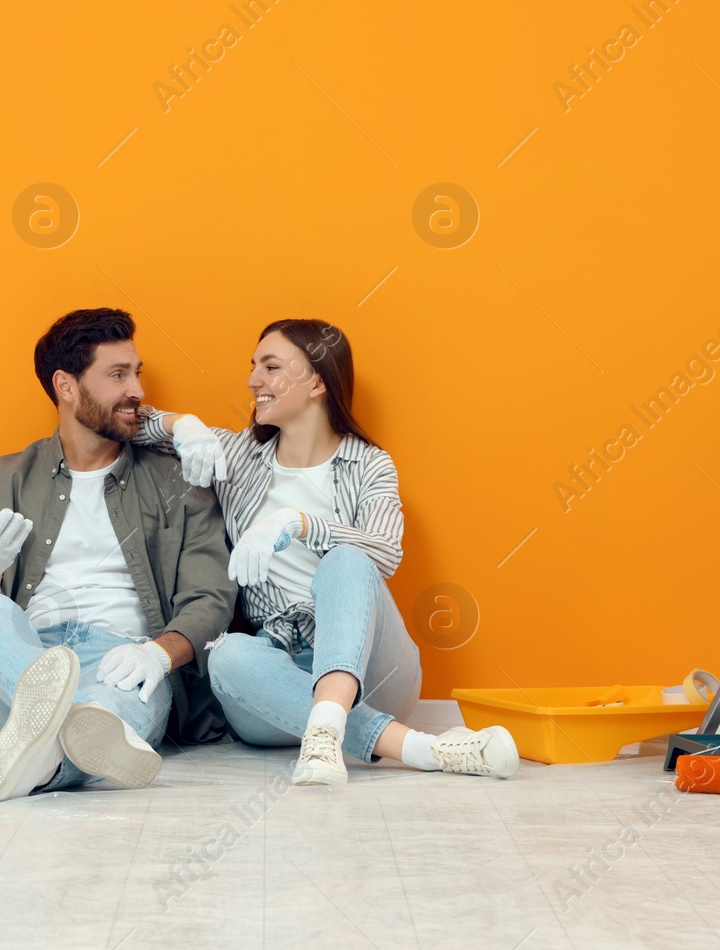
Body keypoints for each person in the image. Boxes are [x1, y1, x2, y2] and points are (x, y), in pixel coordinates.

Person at [135, 318, 517, 785]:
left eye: (271, 366)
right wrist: (185, 425)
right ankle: (416, 747)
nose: (253, 380)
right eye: (253, 366)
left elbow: (384, 553)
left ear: (317, 381)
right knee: (228, 655)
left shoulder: (369, 464)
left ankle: (331, 727)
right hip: (277, 681)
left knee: (348, 559)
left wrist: (301, 523)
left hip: (374, 674)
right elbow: (129, 421)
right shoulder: (235, 457)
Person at [0, 308, 236, 801]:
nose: (137, 390)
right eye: (117, 374)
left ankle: (39, 755)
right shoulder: (5, 476)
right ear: (67, 385)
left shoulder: (179, 479)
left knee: (101, 714)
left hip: (123, 661)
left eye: (136, 372)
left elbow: (211, 597)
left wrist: (156, 654)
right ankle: (60, 738)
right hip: (24, 656)